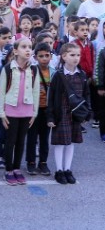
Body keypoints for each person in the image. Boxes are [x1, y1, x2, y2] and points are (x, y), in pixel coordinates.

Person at [0, 38, 40, 185]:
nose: (28, 50)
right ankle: (8, 169)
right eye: (24, 47)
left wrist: (34, 113)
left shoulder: (34, 69)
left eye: (30, 47)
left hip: (27, 111)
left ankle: (17, 169)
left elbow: (36, 92)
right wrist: (2, 114)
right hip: (11, 111)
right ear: (15, 51)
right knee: (11, 141)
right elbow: (1, 92)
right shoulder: (8, 69)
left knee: (21, 141)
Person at [47, 42, 90, 184]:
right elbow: (51, 98)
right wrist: (51, 116)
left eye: (78, 55)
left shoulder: (82, 75)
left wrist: (86, 113)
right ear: (64, 56)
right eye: (72, 55)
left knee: (71, 142)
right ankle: (59, 170)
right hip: (62, 113)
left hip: (75, 115)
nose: (76, 58)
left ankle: (67, 169)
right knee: (60, 143)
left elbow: (86, 95)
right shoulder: (58, 76)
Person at [26, 42, 54, 176]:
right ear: (35, 57)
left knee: (44, 138)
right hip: (33, 110)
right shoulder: (31, 71)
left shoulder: (54, 72)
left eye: (47, 55)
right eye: (41, 56)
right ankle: (30, 162)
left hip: (47, 110)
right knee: (31, 137)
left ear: (51, 56)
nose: (44, 58)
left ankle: (43, 162)